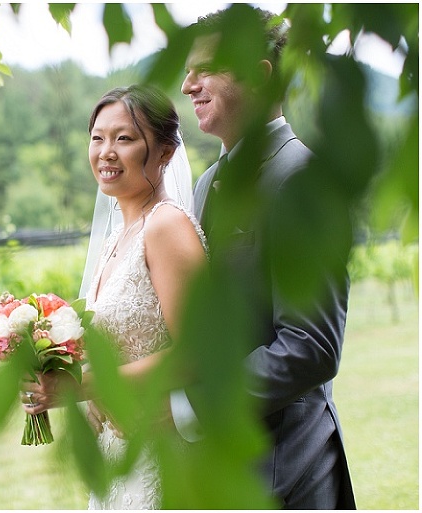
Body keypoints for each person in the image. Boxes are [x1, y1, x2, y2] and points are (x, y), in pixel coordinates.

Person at [177, 7, 356, 509]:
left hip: (284, 467)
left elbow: (309, 347)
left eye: (205, 69)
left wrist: (193, 405)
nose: (188, 84)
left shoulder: (306, 184)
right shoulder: (208, 183)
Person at [22, 85, 208, 510]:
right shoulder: (114, 239)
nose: (106, 151)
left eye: (124, 138)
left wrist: (78, 386)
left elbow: (196, 353)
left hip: (162, 449)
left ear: (163, 152)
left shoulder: (166, 228)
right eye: (97, 137)